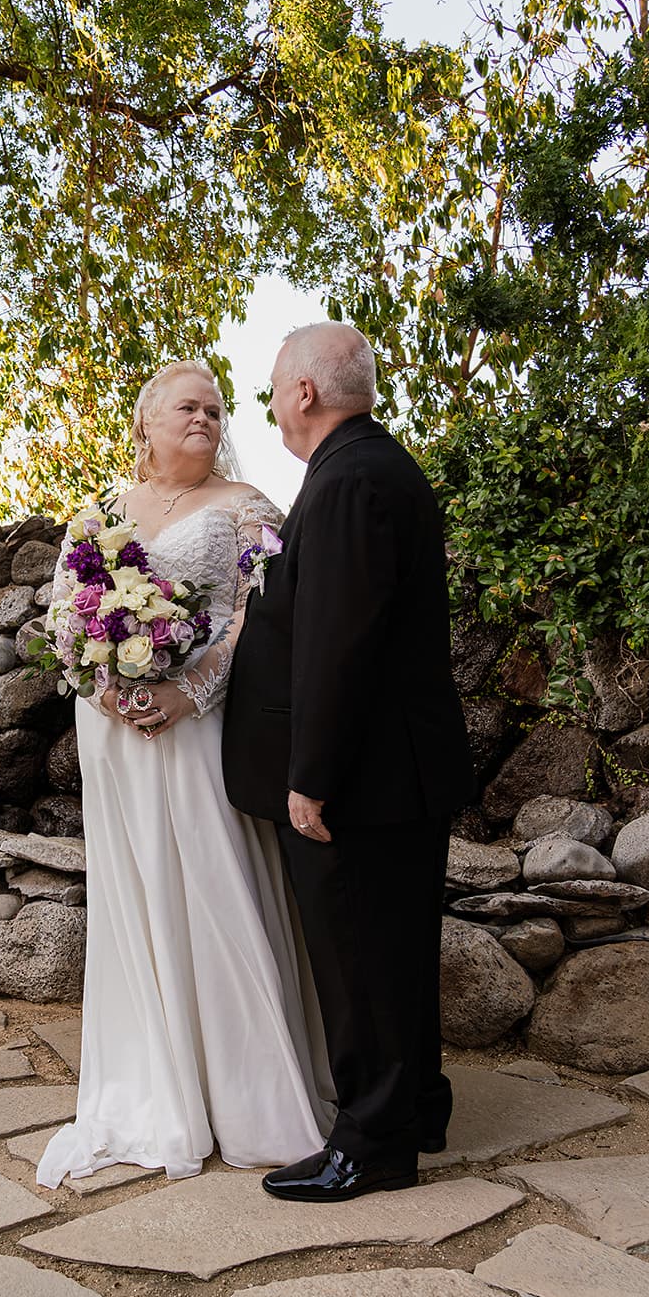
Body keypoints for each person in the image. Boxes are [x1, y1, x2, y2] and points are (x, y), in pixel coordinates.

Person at [36, 360, 335, 1188]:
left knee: (213, 883)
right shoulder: (98, 511)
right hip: (112, 735)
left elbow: (260, 617)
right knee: (137, 897)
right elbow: (65, 616)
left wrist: (189, 690)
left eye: (213, 408)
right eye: (186, 407)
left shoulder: (247, 510)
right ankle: (153, 1086)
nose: (203, 418)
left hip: (200, 727)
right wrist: (107, 689)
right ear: (146, 423)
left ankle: (249, 1097)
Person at [222, 322, 473, 1203]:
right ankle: (418, 1107)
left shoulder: (348, 482)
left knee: (358, 958)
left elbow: (338, 644)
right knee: (394, 951)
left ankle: (370, 1144)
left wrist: (309, 776)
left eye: (272, 387)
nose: (271, 404)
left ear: (303, 393)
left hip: (359, 779)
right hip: (391, 770)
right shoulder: (373, 468)